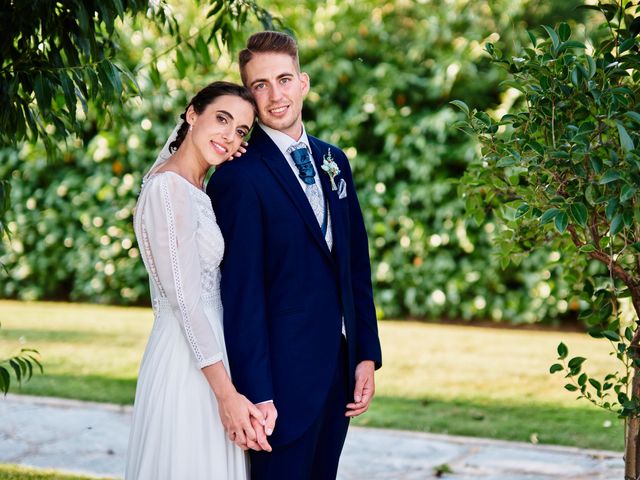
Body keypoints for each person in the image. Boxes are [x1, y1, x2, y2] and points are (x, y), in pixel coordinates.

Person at [207, 32, 383, 479]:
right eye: (259, 85)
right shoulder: (237, 176)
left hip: (336, 377)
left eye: (283, 79)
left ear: (303, 83)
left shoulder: (334, 160)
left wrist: (364, 355)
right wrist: (257, 392)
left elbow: (354, 267)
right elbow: (241, 294)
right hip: (277, 390)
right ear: (249, 95)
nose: (275, 94)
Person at [125, 81, 266, 480]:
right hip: (189, 366)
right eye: (221, 119)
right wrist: (227, 397)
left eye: (241, 131)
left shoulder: (192, 186)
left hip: (210, 355)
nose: (229, 135)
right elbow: (186, 303)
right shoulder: (169, 190)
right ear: (191, 114)